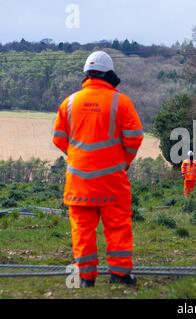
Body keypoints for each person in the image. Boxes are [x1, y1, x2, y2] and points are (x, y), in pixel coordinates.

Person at [52, 51, 144, 288]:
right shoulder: (120, 102)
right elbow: (134, 137)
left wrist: (79, 157)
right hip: (112, 182)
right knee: (118, 228)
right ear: (110, 73)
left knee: (82, 231)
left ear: (87, 74)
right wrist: (122, 162)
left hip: (78, 183)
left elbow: (59, 139)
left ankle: (85, 279)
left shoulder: (69, 103)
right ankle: (120, 275)